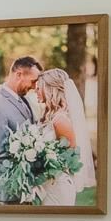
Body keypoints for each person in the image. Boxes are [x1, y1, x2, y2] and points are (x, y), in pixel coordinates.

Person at [31, 67, 95, 207]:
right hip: (47, 183)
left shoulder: (60, 120)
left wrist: (39, 158)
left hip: (57, 186)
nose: (35, 91)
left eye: (38, 87)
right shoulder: (49, 117)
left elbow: (71, 158)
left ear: (50, 88)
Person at [0, 56, 42, 198]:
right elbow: (2, 154)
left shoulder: (25, 100)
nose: (34, 87)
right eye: (33, 81)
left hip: (31, 187)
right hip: (12, 189)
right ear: (19, 74)